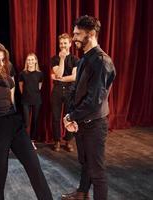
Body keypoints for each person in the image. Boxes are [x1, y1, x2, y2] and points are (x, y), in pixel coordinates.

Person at [0, 42, 53, 200]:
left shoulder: (8, 79)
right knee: (0, 174)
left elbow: (10, 103)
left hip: (14, 125)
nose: (1, 64)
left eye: (3, 59)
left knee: (34, 167)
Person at [61, 15, 116, 200]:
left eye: (77, 34)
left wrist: (72, 116)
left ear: (91, 34)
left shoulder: (102, 61)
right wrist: (70, 114)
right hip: (82, 122)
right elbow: (76, 90)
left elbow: (94, 101)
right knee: (85, 162)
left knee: (97, 171)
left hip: (94, 124)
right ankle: (82, 193)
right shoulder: (84, 58)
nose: (73, 38)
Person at [51, 33, 79, 152]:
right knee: (56, 117)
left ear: (70, 44)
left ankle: (68, 141)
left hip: (70, 91)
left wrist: (59, 78)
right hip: (57, 91)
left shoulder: (75, 59)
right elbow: (58, 73)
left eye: (65, 43)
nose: (63, 45)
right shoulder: (55, 59)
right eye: (61, 43)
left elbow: (74, 77)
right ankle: (57, 141)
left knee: (69, 117)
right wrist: (62, 59)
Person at [19, 53, 43, 150]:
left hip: (37, 99)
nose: (30, 62)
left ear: (36, 61)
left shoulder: (40, 73)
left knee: (35, 120)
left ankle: (32, 141)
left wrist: (34, 93)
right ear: (26, 62)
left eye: (32, 59)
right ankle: (25, 141)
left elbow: (40, 86)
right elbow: (21, 86)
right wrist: (25, 94)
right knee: (26, 121)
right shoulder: (23, 73)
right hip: (25, 99)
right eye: (28, 60)